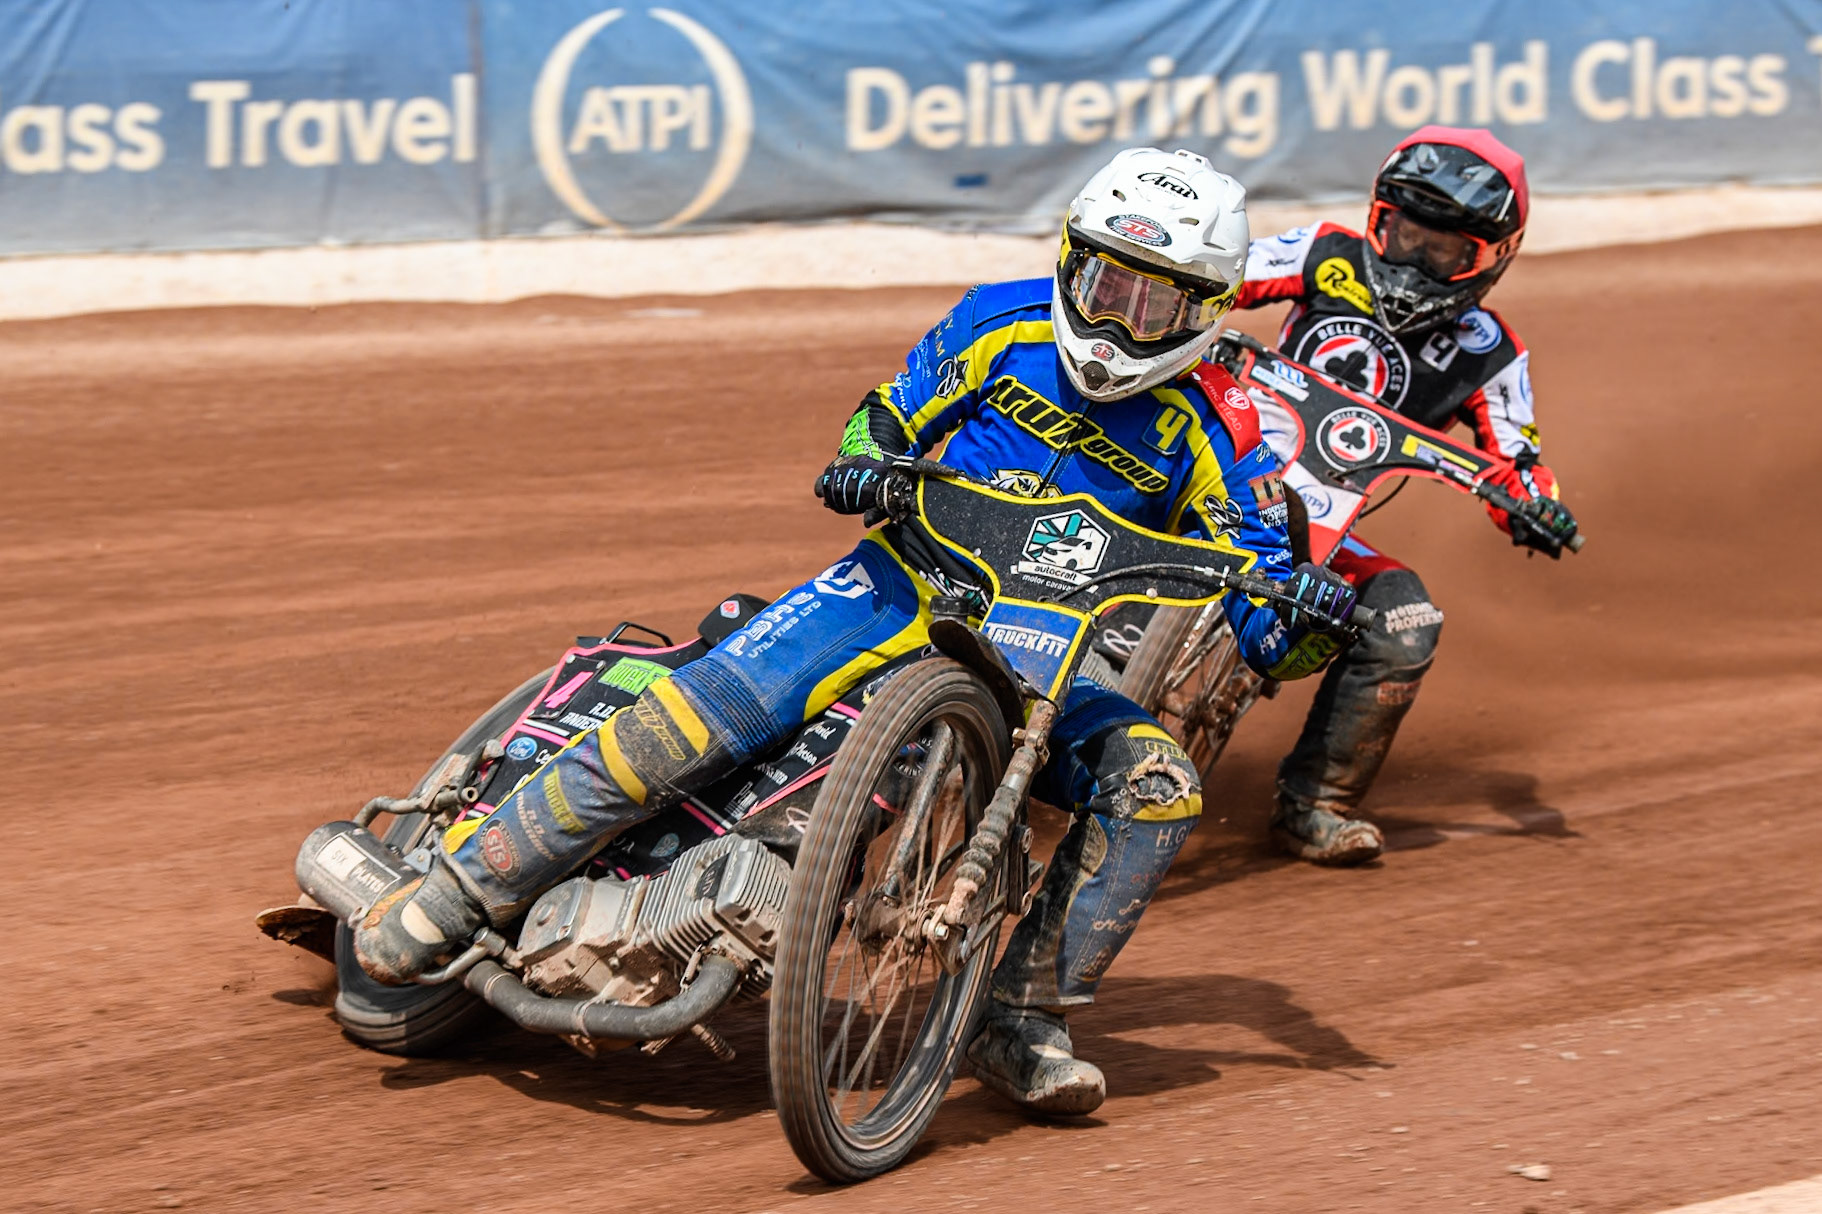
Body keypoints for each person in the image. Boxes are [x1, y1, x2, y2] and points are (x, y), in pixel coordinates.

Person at [352, 147, 1359, 1116]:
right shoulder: (998, 319)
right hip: (897, 581)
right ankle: (460, 885)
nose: (1121, 321)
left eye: (1160, 302)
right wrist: (860, 461)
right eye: (1104, 283)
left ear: (1211, 309)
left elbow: (1265, 611)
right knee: (686, 721)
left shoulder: (1225, 426)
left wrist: (1311, 619)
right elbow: (888, 412)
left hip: (1055, 654)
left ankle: (1021, 1018)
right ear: (1068, 259)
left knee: (1157, 786)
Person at [1232, 125, 1579, 866]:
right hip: (1221, 462)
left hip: (1325, 519)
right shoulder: (1324, 253)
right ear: (1378, 216)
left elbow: (1516, 460)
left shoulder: (1491, 353)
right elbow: (1218, 272)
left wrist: (1537, 507)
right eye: (1406, 234)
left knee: (1407, 620)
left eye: (1445, 249)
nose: (1417, 258)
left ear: (1492, 259)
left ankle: (1314, 805)